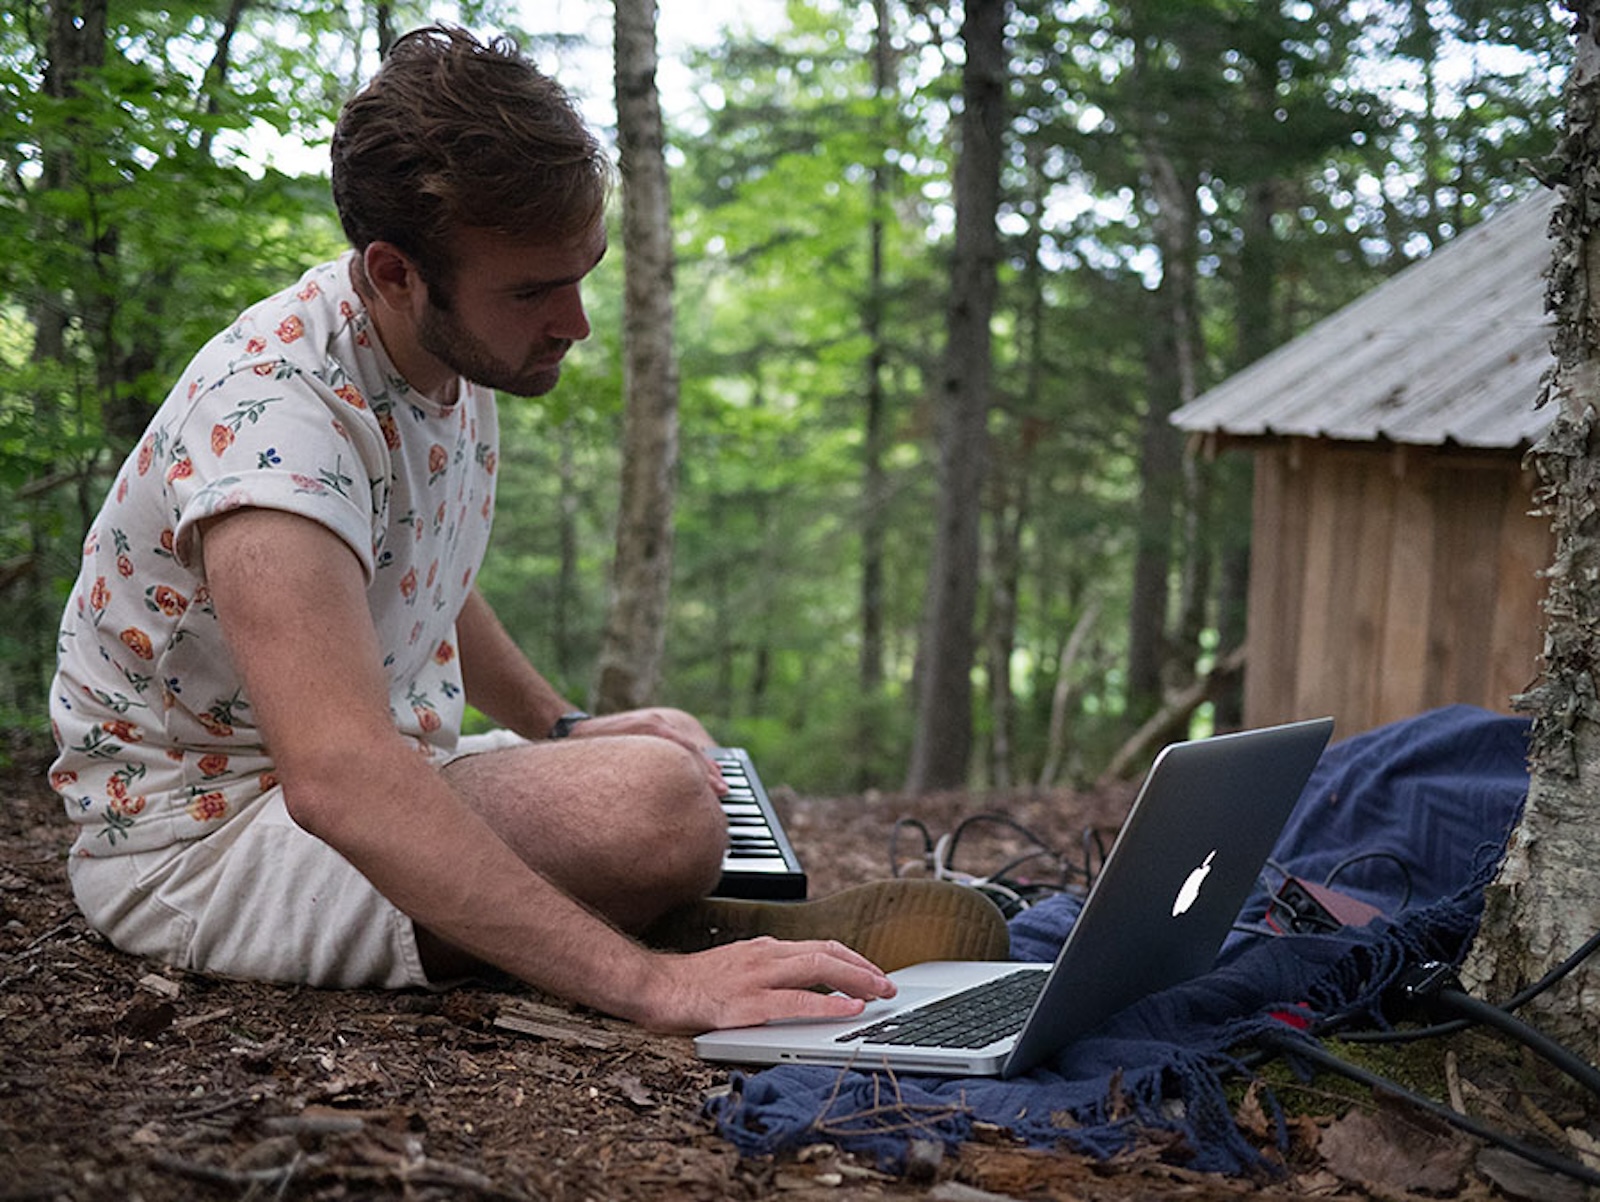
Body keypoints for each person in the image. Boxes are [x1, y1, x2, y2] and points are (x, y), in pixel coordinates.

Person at [46, 25, 1007, 1034]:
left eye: (581, 272)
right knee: (655, 804)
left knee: (672, 750)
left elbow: (423, 573)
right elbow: (335, 777)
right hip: (203, 845)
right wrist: (652, 989)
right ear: (395, 270)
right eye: (534, 289)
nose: (575, 321)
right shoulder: (278, 431)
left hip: (348, 779)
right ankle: (658, 943)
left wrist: (563, 723)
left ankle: (649, 916)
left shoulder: (440, 349)